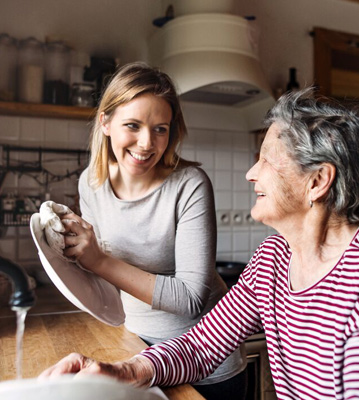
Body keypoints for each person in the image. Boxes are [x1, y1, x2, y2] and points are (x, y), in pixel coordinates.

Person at [40, 88, 359, 399]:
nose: (250, 173)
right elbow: (201, 346)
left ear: (317, 181)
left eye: (266, 161)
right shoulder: (273, 259)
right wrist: (124, 371)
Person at [51, 62, 247, 400]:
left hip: (205, 363)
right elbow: (105, 279)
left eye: (161, 129)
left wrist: (96, 260)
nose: (147, 143)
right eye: (133, 125)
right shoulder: (91, 183)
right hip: (136, 347)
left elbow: (190, 299)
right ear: (106, 122)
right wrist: (69, 251)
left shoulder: (190, 186)